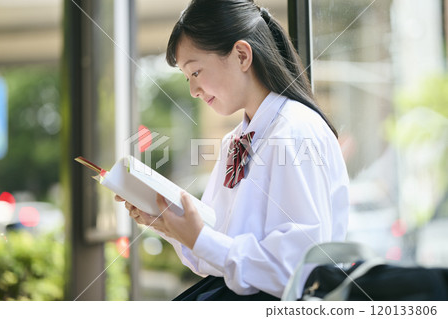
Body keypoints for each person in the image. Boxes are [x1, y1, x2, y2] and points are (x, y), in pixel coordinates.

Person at [116, 0, 349, 300]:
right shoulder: (235, 141)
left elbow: (299, 270)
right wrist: (168, 225)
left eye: (196, 72)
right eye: (187, 78)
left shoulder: (295, 131)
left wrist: (201, 239)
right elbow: (215, 257)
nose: (193, 90)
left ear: (241, 55)